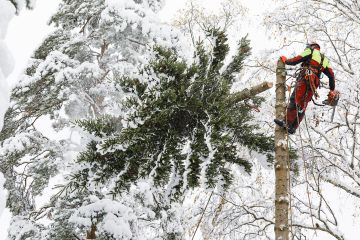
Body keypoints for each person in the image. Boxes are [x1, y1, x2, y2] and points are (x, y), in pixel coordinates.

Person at [274, 42, 337, 134]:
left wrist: (286, 61)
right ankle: (293, 127)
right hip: (314, 84)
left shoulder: (311, 51)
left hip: (306, 78)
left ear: (312, 47)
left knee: (295, 99)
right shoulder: (325, 59)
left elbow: (297, 59)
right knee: (303, 104)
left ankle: (287, 122)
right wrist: (332, 89)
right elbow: (331, 75)